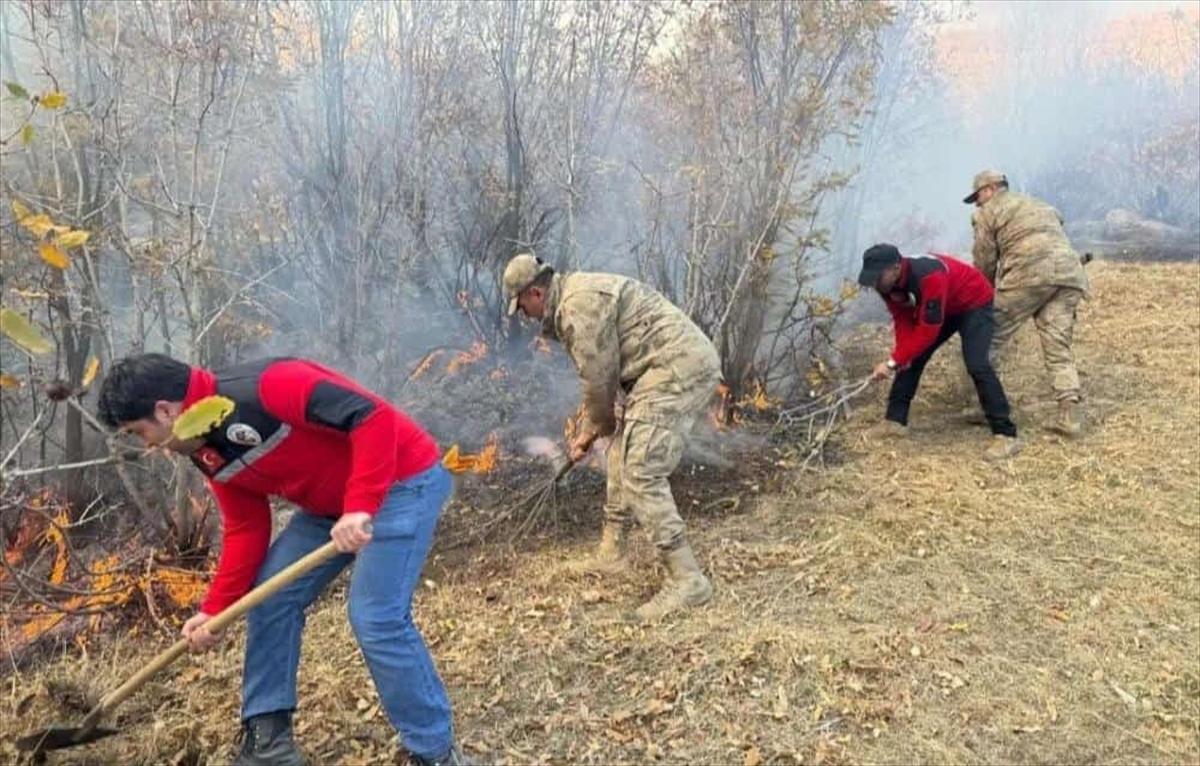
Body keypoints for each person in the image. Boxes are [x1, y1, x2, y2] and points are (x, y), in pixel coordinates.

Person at [97, 354, 471, 766]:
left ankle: (434, 752)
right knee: (270, 599)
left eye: (140, 432)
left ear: (166, 411)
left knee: (375, 617)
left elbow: (372, 417)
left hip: (402, 483)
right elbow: (245, 525)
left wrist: (360, 505)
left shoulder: (268, 386)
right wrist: (215, 610)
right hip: (330, 508)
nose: (147, 445)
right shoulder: (202, 446)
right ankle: (269, 742)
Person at [502, 253, 720, 622]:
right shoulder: (576, 295)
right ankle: (612, 553)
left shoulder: (576, 305)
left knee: (641, 472)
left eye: (521, 306)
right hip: (654, 371)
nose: (524, 315)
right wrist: (594, 430)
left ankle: (688, 580)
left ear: (535, 293)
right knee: (620, 451)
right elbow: (606, 378)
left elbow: (598, 380)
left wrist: (593, 428)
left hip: (676, 369)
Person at [858, 244, 1021, 461]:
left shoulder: (929, 275)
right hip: (945, 307)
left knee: (977, 363)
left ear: (896, 268)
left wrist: (892, 362)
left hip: (973, 302)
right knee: (911, 358)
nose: (874, 284)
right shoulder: (887, 286)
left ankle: (1006, 434)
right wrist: (902, 356)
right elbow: (903, 319)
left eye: (877, 278)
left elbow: (928, 330)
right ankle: (895, 422)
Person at [966, 169, 1090, 436]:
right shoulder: (1040, 205)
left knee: (985, 337)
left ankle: (983, 406)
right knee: (1058, 346)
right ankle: (1069, 417)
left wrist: (982, 296)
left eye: (978, 197)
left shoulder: (987, 212)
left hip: (1029, 275)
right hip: (1069, 275)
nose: (978, 203)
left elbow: (985, 259)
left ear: (989, 190)